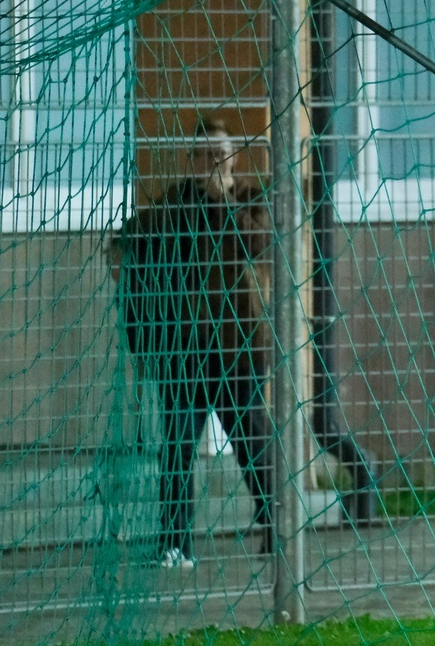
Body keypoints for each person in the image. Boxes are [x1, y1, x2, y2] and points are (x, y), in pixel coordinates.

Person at [112, 117, 376, 569]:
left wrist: (223, 200)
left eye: (219, 155)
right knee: (177, 449)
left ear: (234, 158)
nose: (212, 163)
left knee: (253, 444)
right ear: (191, 161)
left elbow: (260, 243)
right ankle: (175, 543)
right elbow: (129, 238)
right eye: (203, 155)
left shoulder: (252, 200)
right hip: (185, 353)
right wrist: (123, 252)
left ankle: (276, 530)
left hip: (240, 351)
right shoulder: (174, 206)